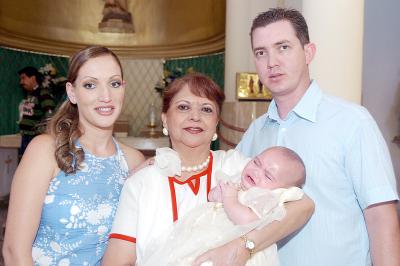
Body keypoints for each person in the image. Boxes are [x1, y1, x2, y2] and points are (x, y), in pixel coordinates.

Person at [236, 8, 400, 266]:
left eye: (283, 47)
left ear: (308, 52)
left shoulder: (352, 122)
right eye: (261, 52)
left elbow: (381, 217)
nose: (271, 62)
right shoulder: (255, 132)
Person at [102, 73, 314, 265]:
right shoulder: (142, 182)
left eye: (206, 109)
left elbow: (304, 205)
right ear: (165, 118)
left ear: (216, 123)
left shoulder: (239, 167)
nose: (195, 116)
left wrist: (243, 246)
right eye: (183, 107)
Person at [2, 46, 145, 265]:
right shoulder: (46, 151)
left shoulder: (133, 161)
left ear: (123, 88)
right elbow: (14, 252)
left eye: (114, 83)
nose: (105, 96)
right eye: (90, 85)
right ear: (72, 92)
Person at [139, 146, 306, 266]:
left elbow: (247, 220)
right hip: (205, 236)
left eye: (268, 176)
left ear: (281, 190)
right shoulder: (237, 181)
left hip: (236, 250)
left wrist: (229, 198)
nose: (256, 171)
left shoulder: (265, 198)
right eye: (256, 162)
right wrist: (217, 195)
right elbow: (213, 199)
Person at [17, 66, 56, 157]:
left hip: (34, 138)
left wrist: (40, 133)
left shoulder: (43, 93)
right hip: (25, 137)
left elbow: (50, 116)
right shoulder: (29, 95)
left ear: (33, 78)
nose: (21, 82)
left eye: (23, 78)